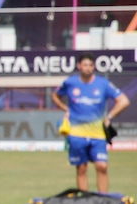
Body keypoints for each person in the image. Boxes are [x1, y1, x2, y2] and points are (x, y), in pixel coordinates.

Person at [52, 52, 130, 193]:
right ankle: (85, 201)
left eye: (90, 65)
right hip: (76, 133)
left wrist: (109, 116)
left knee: (102, 166)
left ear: (94, 67)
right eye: (85, 65)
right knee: (81, 168)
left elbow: (124, 101)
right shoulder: (70, 83)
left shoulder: (103, 84)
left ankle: (104, 200)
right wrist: (65, 108)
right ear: (79, 66)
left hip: (97, 133)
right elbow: (55, 95)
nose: (88, 68)